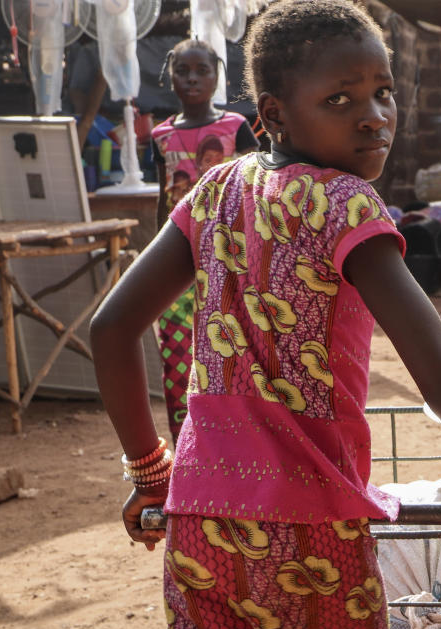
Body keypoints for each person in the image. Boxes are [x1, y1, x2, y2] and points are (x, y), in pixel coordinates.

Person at [89, 2, 441, 629]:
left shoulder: (217, 189)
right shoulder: (346, 206)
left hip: (201, 516)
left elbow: (111, 328)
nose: (374, 117)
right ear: (275, 114)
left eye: (383, 92)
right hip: (311, 527)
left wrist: (150, 474)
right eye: (340, 99)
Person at [150, 38, 260, 442]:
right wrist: (155, 254)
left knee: (238, 350)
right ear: (171, 76)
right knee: (179, 356)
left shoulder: (236, 128)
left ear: (218, 75)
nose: (192, 79)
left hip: (234, 260)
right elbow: (162, 201)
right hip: (179, 259)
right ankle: (186, 448)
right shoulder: (160, 136)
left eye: (202, 71)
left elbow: (254, 190)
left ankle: (239, 439)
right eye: (183, 71)